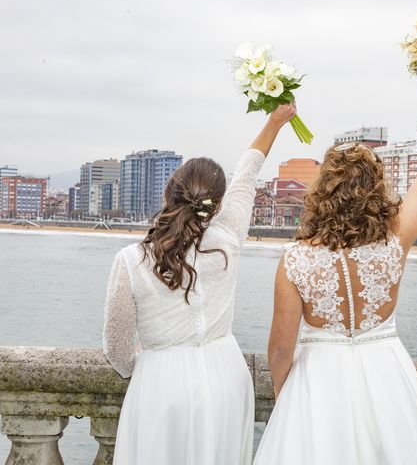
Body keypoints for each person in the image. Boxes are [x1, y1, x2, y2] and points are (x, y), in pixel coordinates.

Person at [253, 66, 417, 465]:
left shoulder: (296, 259)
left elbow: (281, 347)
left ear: (323, 191)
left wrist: (288, 397)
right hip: (387, 376)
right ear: (376, 188)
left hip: (318, 385)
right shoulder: (396, 240)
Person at [103, 103, 297, 465]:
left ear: (169, 193)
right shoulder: (229, 238)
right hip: (225, 378)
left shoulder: (130, 261)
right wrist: (275, 122)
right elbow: (247, 174)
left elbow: (117, 349)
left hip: (161, 382)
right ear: (218, 204)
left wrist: (143, 366)